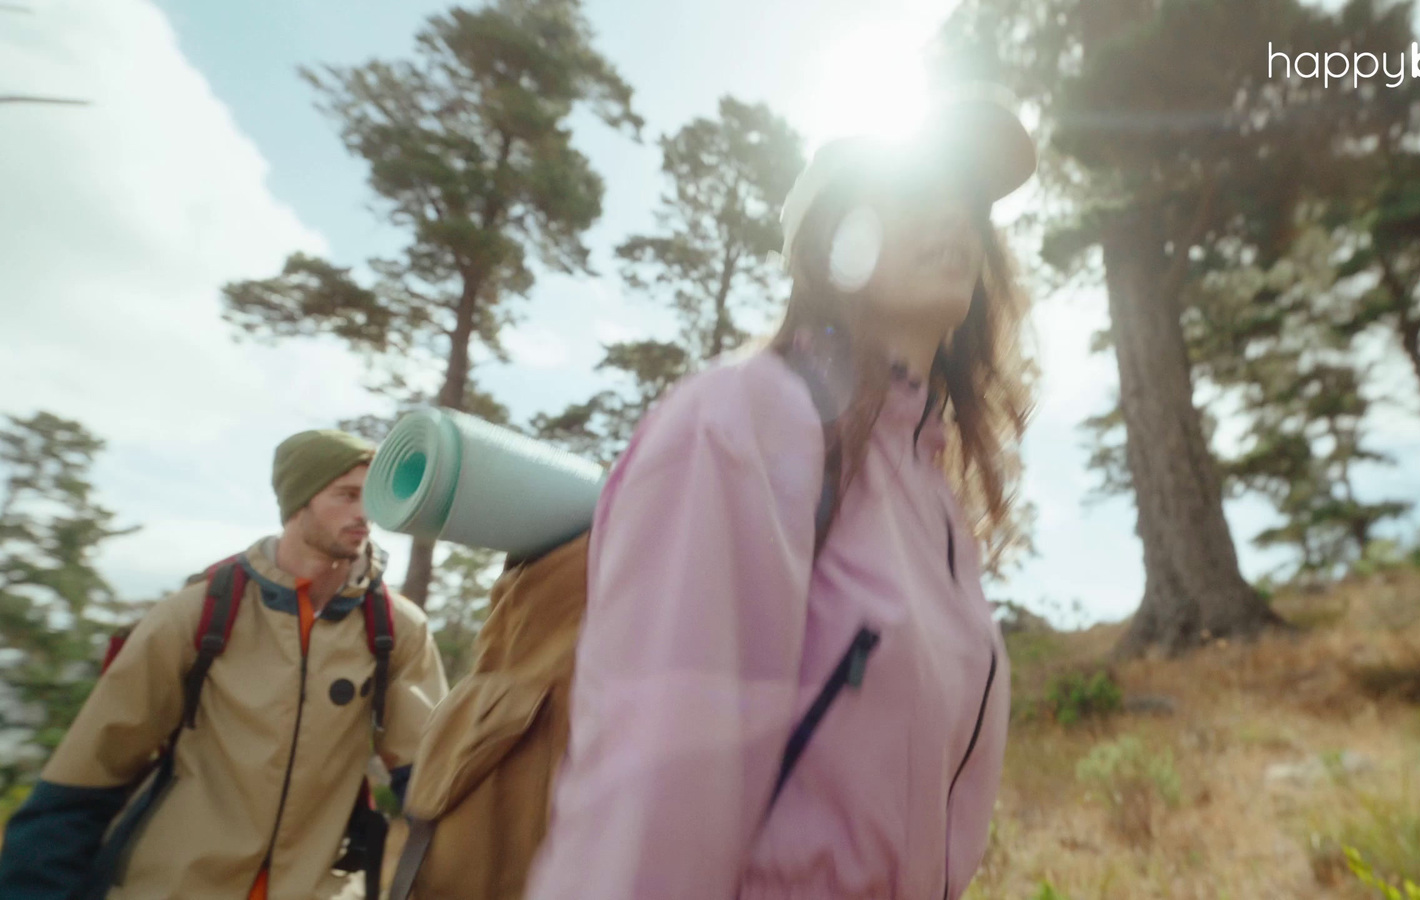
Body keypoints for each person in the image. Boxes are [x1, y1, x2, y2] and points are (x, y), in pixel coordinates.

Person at [524, 84, 1037, 900]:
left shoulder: (932, 495)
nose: (954, 218)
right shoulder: (740, 424)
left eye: (968, 201)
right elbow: (650, 800)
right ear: (835, 242)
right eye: (914, 190)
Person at [0, 429, 449, 900]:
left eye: (372, 496)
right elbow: (88, 775)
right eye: (346, 495)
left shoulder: (397, 627)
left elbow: (429, 777)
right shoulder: (198, 612)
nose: (365, 512)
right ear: (298, 501)